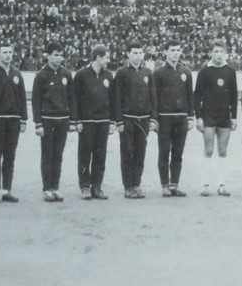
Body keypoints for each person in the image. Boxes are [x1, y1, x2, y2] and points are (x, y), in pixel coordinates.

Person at [0, 42, 27, 204]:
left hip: (14, 120)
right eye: (4, 52)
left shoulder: (17, 74)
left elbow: (22, 98)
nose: (7, 55)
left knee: (10, 156)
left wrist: (24, 119)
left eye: (10, 52)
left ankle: (7, 189)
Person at [32, 41, 76, 202]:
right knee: (47, 155)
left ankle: (55, 187)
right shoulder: (41, 75)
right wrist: (38, 123)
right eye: (55, 55)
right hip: (47, 120)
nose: (59, 58)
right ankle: (47, 188)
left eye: (60, 55)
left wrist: (72, 120)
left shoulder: (66, 74)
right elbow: (36, 101)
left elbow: (71, 98)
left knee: (58, 155)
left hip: (63, 120)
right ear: (48, 56)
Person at [114, 40, 158, 199]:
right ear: (128, 54)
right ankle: (128, 186)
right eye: (134, 53)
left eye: (140, 53)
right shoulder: (121, 73)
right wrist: (118, 120)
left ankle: (137, 184)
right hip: (127, 119)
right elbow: (117, 98)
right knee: (127, 153)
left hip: (144, 120)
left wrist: (153, 118)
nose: (138, 56)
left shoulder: (148, 73)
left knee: (140, 153)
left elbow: (153, 97)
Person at [72, 44, 116, 200]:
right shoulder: (81, 75)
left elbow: (113, 100)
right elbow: (75, 99)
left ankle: (97, 187)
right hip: (87, 121)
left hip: (103, 121)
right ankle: (85, 186)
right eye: (106, 58)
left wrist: (112, 121)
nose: (108, 61)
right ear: (98, 57)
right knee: (85, 154)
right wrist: (76, 120)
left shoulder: (109, 76)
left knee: (100, 155)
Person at [194, 40, 238, 197]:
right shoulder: (205, 71)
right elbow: (197, 95)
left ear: (225, 53)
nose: (218, 54)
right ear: (211, 53)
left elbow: (234, 96)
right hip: (208, 116)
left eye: (221, 51)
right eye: (216, 51)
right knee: (209, 149)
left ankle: (222, 185)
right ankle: (205, 185)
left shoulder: (230, 71)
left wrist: (234, 117)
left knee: (223, 151)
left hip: (224, 116)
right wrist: (198, 117)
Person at [153, 40, 194, 197]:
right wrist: (154, 119)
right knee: (164, 152)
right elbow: (154, 98)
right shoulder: (158, 73)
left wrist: (190, 117)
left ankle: (174, 185)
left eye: (178, 50)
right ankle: (164, 185)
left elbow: (190, 96)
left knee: (178, 153)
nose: (176, 53)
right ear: (166, 52)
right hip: (164, 118)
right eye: (172, 50)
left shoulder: (186, 72)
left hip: (181, 118)